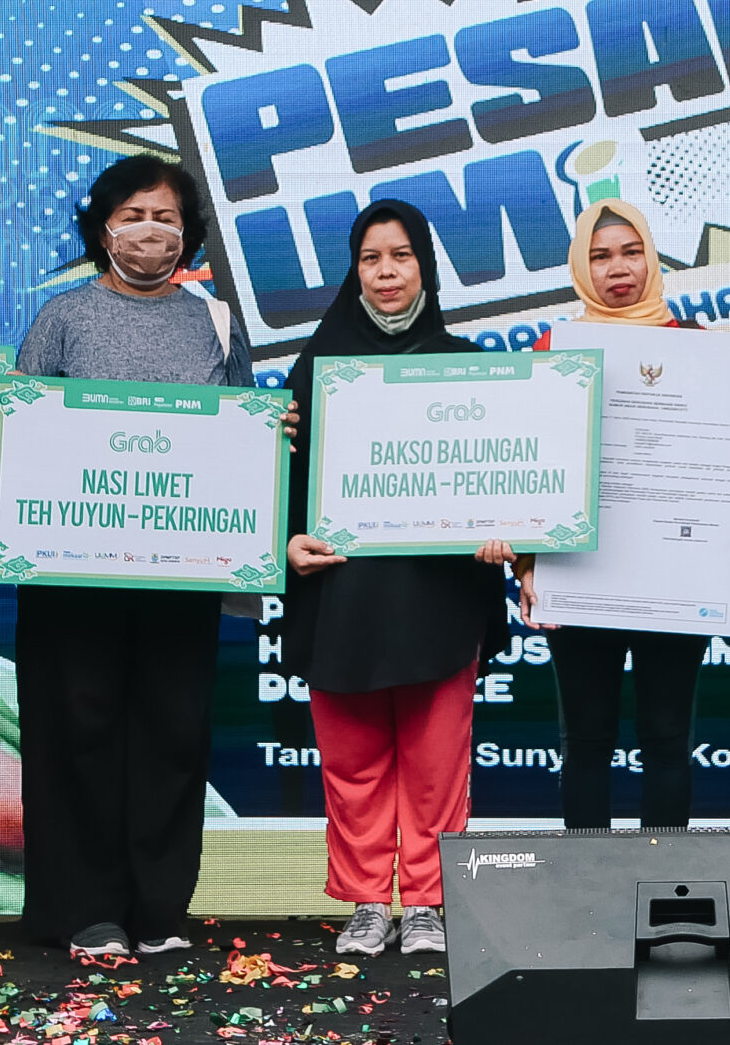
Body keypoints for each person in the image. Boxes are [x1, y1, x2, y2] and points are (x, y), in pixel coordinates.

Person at [0, 156, 251, 961]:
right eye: (134, 214)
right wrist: (4, 411)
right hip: (73, 578)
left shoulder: (214, 324)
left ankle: (159, 910)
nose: (151, 230)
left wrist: (269, 434)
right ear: (102, 228)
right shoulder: (62, 317)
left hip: (181, 575)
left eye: (166, 217)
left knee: (172, 734)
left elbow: (245, 438)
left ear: (188, 232)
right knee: (78, 732)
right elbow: (20, 437)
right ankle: (87, 910)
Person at [283, 201, 514, 960]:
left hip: (438, 601)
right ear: (354, 271)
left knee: (435, 764)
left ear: (426, 266)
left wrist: (504, 532)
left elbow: (506, 480)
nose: (386, 272)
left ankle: (425, 903)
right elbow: (276, 483)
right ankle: (364, 902)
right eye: (371, 258)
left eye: (402, 255)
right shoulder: (315, 370)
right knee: (352, 764)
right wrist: (285, 544)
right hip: (341, 598)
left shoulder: (470, 367)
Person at [513, 201, 708, 829]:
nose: (617, 268)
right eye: (599, 256)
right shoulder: (554, 350)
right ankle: (585, 885)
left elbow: (724, 464)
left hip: (674, 572)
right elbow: (530, 466)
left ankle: (662, 880)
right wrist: (528, 566)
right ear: (579, 267)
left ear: (652, 258)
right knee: (587, 739)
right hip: (580, 571)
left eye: (630, 252)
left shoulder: (700, 349)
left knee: (667, 739)